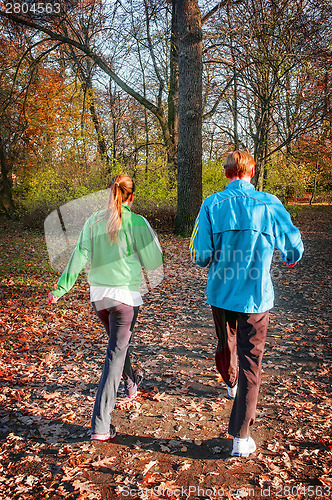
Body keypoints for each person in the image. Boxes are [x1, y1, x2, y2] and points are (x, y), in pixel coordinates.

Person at [189, 151, 303, 457]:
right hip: (255, 294)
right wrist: (289, 258)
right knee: (252, 362)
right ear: (251, 172)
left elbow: (200, 255)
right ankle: (241, 438)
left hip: (221, 293)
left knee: (226, 343)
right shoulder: (269, 203)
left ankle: (230, 383)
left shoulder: (212, 203)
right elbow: (293, 246)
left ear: (226, 174)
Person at [48, 175, 163, 442]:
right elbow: (154, 262)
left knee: (119, 347)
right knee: (115, 356)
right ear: (131, 196)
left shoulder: (93, 221)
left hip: (99, 298)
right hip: (125, 298)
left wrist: (61, 289)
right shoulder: (137, 222)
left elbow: (79, 255)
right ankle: (100, 425)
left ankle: (132, 383)